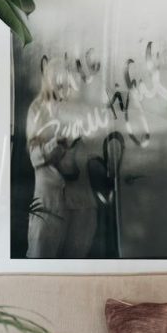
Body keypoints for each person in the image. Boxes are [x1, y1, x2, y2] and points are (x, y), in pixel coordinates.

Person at [25, 54, 98, 258]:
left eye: (67, 79)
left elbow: (95, 149)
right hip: (48, 204)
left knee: (76, 270)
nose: (63, 85)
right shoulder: (37, 110)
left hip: (81, 204)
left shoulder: (82, 110)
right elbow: (34, 157)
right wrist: (53, 146)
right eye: (58, 78)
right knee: (39, 265)